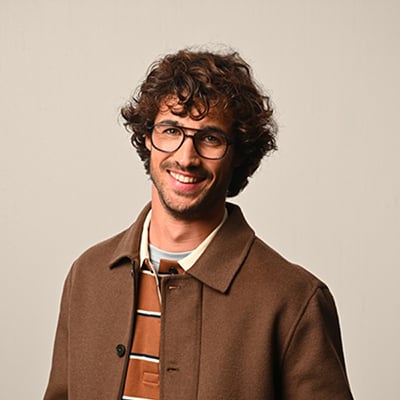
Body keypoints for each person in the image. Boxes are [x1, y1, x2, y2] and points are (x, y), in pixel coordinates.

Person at [44, 48, 353, 400]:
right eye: (171, 130)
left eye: (210, 138)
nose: (186, 157)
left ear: (239, 155)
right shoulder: (87, 276)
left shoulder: (294, 299)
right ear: (147, 137)